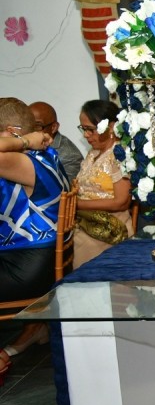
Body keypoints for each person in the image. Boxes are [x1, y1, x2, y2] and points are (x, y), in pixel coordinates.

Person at [0, 98, 70, 384]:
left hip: (26, 267)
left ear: (11, 132)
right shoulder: (46, 155)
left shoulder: (24, 159)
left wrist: (24, 140)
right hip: (38, 262)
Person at [73, 99, 132, 268]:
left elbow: (121, 202)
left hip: (109, 228)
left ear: (111, 126)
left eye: (90, 129)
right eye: (83, 129)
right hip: (85, 223)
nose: (86, 135)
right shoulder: (93, 154)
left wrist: (77, 204)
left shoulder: (119, 154)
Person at [29, 101, 84, 183]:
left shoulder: (70, 156)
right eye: (28, 125)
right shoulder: (25, 144)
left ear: (53, 127)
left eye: (37, 126)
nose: (30, 132)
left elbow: (64, 189)